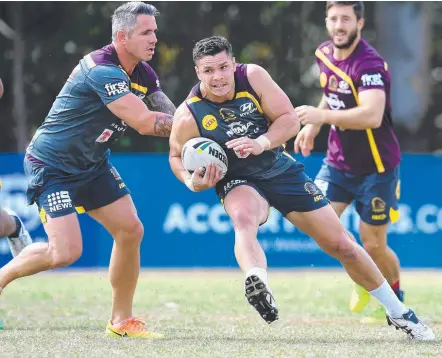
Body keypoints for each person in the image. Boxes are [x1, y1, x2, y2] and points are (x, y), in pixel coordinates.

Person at [169, 35, 434, 340]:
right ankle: (257, 281)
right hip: (237, 178)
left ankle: (399, 312)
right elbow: (176, 156)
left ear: (233, 64)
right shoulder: (189, 113)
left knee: (342, 245)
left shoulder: (252, 77)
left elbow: (288, 120)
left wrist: (261, 142)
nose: (217, 77)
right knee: (243, 220)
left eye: (223, 67)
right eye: (208, 70)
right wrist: (191, 181)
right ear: (197, 72)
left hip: (278, 167)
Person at [0, 2, 175, 338]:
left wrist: (195, 128)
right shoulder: (102, 69)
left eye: (155, 30)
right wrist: (196, 129)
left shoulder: (141, 71)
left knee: (130, 230)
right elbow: (143, 121)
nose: (155, 38)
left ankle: (121, 321)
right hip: (51, 164)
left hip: (92, 164)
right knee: (65, 252)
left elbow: (167, 109)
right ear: (123, 36)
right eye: (147, 32)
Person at [294, 1, 405, 319]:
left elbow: (371, 115)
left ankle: (394, 294)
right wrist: (314, 125)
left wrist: (320, 116)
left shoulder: (370, 64)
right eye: (333, 19)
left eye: (346, 19)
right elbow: (332, 90)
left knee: (373, 245)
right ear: (326, 22)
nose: (339, 25)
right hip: (338, 163)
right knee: (317, 223)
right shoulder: (324, 54)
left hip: (378, 168)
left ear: (359, 23)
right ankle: (363, 274)